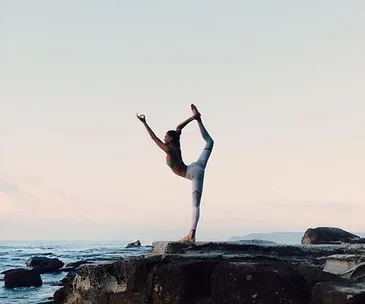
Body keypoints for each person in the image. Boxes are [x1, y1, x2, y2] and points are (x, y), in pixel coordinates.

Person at [136, 104, 214, 243]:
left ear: (170, 138)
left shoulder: (169, 150)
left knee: (195, 205)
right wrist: (193, 118)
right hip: (196, 165)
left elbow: (154, 138)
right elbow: (178, 127)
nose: (164, 137)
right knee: (209, 142)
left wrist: (145, 123)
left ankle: (191, 235)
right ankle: (199, 120)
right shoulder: (175, 143)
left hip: (193, 173)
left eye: (166, 136)